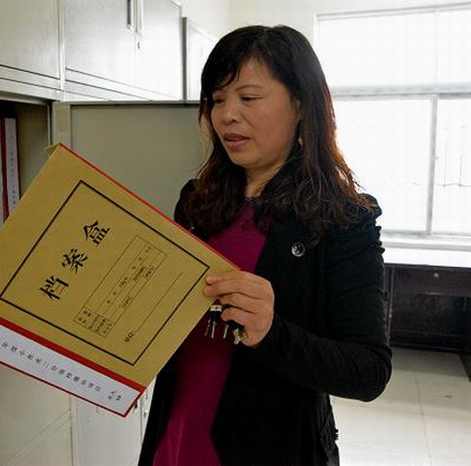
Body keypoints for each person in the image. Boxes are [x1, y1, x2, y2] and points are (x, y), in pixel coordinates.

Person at [138, 25, 392, 466]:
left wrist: (271, 332)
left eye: (249, 98)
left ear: (300, 103)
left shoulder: (343, 219)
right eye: (217, 100)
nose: (226, 116)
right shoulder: (197, 201)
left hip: (270, 446)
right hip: (174, 435)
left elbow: (368, 371)